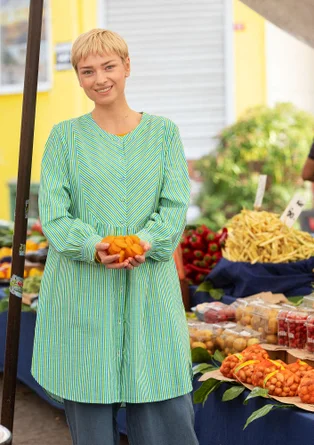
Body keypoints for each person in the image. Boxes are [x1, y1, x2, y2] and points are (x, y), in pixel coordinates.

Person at [31, 29, 199, 445]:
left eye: (108, 66)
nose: (99, 78)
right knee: (89, 416)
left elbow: (175, 206)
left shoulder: (163, 134)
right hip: (83, 294)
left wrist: (146, 241)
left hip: (150, 292)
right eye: (87, 71)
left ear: (127, 67)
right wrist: (92, 247)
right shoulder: (64, 139)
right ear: (78, 78)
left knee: (166, 414)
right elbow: (54, 215)